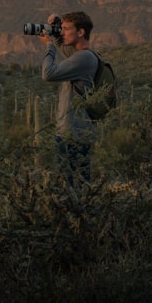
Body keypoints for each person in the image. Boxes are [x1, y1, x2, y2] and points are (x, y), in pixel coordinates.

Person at [38, 10, 99, 185]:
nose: (62, 32)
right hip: (75, 133)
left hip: (73, 136)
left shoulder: (83, 58)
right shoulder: (83, 56)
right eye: (61, 29)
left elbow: (48, 74)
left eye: (66, 29)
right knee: (73, 187)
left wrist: (48, 46)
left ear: (80, 32)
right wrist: (56, 28)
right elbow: (65, 48)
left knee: (71, 189)